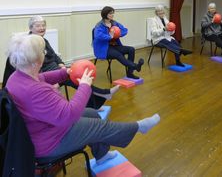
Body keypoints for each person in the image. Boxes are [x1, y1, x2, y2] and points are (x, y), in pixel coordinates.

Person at [5, 34, 160, 164]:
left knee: (92, 114)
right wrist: (84, 86)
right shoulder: (36, 90)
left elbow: (43, 77)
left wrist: (67, 72)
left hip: (39, 131)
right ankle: (138, 127)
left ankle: (102, 155)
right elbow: (69, 114)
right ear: (37, 61)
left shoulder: (17, 77)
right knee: (98, 126)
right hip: (48, 144)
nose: (44, 54)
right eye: (42, 52)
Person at [1, 16, 118, 110]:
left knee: (76, 73)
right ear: (31, 28)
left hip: (55, 69)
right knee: (74, 78)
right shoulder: (30, 44)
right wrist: (52, 81)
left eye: (43, 25)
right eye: (38, 26)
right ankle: (101, 97)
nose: (42, 28)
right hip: (47, 73)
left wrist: (61, 64)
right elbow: (33, 69)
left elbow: (54, 55)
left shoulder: (43, 40)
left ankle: (95, 104)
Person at [93, 6, 144, 79]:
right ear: (105, 14)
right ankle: (135, 66)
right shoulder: (99, 25)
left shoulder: (114, 23)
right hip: (104, 49)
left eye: (113, 13)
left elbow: (124, 30)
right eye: (110, 13)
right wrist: (110, 36)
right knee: (118, 54)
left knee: (131, 49)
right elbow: (98, 36)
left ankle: (130, 73)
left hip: (115, 46)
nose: (112, 15)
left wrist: (118, 34)